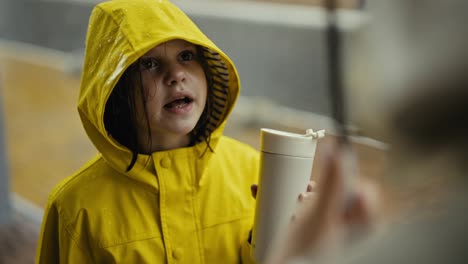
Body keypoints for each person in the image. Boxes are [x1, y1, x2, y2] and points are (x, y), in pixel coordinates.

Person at [35, 0, 265, 262]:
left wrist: (300, 230)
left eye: (186, 56)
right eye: (150, 64)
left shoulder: (253, 170)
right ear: (114, 89)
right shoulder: (75, 209)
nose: (177, 74)